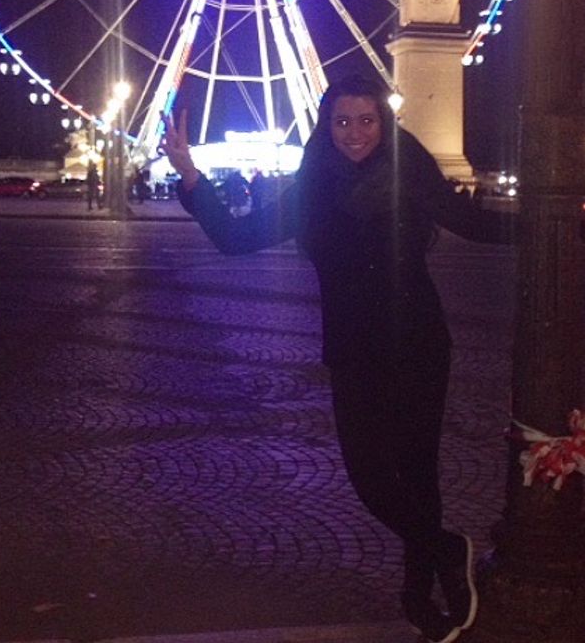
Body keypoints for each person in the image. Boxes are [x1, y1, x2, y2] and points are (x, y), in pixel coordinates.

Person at [164, 74, 508, 643]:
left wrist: (556, 219)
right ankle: (447, 548)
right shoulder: (313, 188)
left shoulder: (410, 173)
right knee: (370, 479)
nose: (354, 133)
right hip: (353, 348)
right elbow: (238, 237)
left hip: (417, 341)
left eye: (366, 120)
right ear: (327, 126)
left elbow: (473, 224)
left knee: (418, 476)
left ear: (384, 122)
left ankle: (419, 597)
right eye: (342, 121)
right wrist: (190, 176)